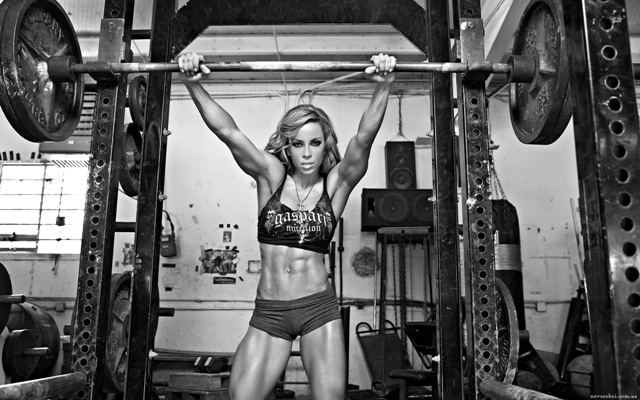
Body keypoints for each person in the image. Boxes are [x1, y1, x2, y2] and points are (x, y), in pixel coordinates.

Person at [177, 52, 396, 400]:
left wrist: (384, 85)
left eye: (315, 143)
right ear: (288, 147)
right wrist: (192, 83)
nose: (307, 153)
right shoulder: (272, 177)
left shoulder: (335, 185)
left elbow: (364, 138)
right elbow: (228, 132)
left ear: (326, 145)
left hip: (318, 309)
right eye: (298, 144)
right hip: (270, 312)